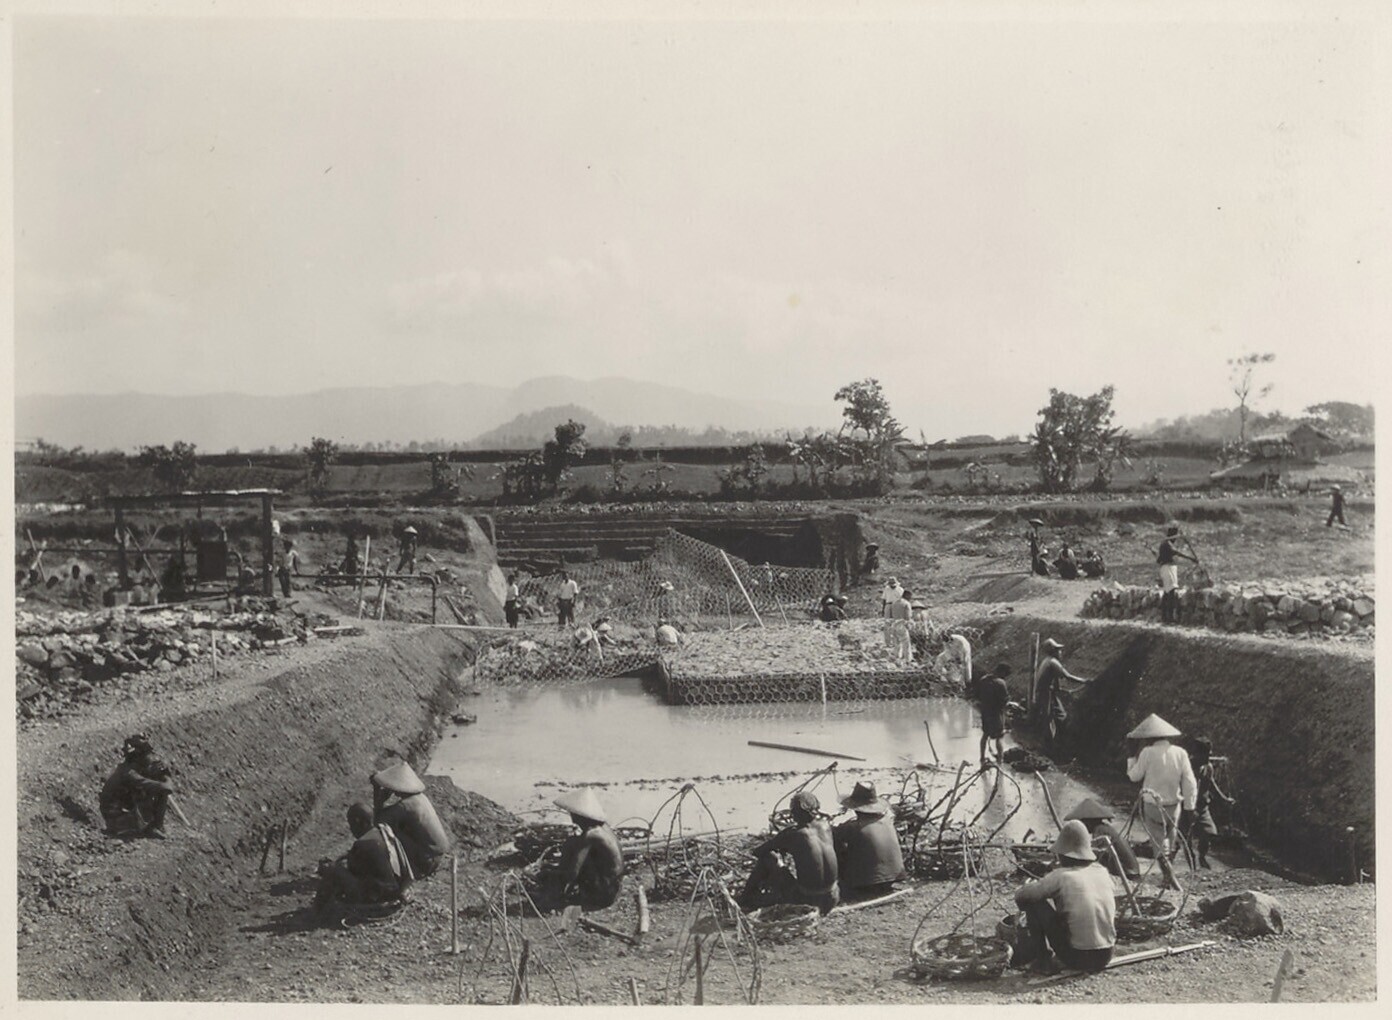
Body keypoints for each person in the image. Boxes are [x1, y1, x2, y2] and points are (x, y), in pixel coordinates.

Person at [1011, 820, 1116, 975]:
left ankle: (1042, 960)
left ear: (1064, 856)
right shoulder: (1102, 872)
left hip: (1078, 957)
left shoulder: (1062, 876)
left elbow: (1022, 896)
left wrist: (1027, 887)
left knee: (1034, 903)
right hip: (1106, 955)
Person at [739, 790, 839, 915]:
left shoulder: (793, 833)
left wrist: (781, 847)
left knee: (769, 857)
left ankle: (744, 899)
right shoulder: (826, 826)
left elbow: (758, 852)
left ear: (795, 813)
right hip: (832, 898)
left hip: (807, 900)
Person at [1125, 714, 1196, 888]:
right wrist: (1190, 806)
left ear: (1149, 738)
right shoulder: (1180, 753)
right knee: (1170, 843)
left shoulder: (1147, 753)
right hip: (1174, 806)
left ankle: (1171, 881)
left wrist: (1131, 757)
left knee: (1159, 846)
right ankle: (1167, 880)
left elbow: (1134, 776)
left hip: (1153, 806)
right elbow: (1189, 781)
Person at [313, 802, 414, 913]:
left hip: (377, 896)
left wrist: (331, 868)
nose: (351, 829)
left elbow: (353, 871)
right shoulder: (381, 833)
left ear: (362, 823)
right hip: (393, 890)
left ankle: (317, 911)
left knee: (331, 870)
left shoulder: (362, 844)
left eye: (352, 825)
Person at [371, 762, 452, 878]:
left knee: (387, 832)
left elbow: (378, 822)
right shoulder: (420, 797)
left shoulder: (406, 805)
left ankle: (401, 872)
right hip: (437, 856)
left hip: (427, 860)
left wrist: (379, 800)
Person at [549, 789, 625, 911]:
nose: (572, 817)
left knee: (572, 848)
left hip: (605, 894)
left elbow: (573, 872)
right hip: (615, 888)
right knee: (575, 844)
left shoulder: (591, 835)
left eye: (573, 814)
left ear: (580, 816)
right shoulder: (604, 828)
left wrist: (557, 875)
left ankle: (558, 895)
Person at [833, 782, 907, 901]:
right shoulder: (887, 821)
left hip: (867, 883)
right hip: (893, 877)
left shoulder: (853, 827)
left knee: (837, 846)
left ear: (856, 809)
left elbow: (832, 835)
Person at [99, 734, 174, 840]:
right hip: (115, 818)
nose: (150, 757)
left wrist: (162, 773)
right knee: (150, 791)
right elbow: (163, 787)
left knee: (150, 790)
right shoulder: (128, 773)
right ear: (138, 756)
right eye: (147, 754)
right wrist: (165, 779)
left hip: (119, 814)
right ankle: (151, 827)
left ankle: (154, 826)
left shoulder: (133, 769)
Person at [1063, 798, 1141, 885]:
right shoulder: (1104, 828)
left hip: (1127, 873)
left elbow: (1097, 854)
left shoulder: (1100, 830)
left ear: (1088, 821)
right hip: (1131, 871)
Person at [1031, 639, 1093, 747]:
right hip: (1046, 693)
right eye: (1058, 650)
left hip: (1046, 692)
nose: (1060, 652)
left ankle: (1057, 741)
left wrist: (1063, 690)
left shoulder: (1047, 661)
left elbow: (1053, 680)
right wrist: (1084, 681)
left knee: (1059, 715)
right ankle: (1049, 745)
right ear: (1053, 651)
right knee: (1049, 718)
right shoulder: (1053, 662)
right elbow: (1067, 676)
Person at [1185, 737, 1234, 870]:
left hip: (1202, 807)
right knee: (1186, 838)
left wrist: (1224, 799)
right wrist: (1190, 808)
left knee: (1209, 832)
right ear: (1197, 753)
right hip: (1186, 807)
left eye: (1210, 754)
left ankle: (1202, 856)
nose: (1209, 757)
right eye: (1206, 754)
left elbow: (1211, 785)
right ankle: (1192, 866)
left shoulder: (1208, 767)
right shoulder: (1187, 767)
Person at [1156, 525, 1197, 625]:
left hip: (1168, 568)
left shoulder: (1165, 544)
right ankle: (1169, 617)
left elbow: (1159, 559)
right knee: (1170, 592)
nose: (1176, 540)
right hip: (1168, 569)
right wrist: (1190, 558)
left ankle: (1165, 616)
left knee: (1167, 592)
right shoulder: (1167, 544)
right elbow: (1176, 553)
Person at [974, 663, 1012, 766]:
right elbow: (1004, 700)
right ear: (1002, 672)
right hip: (996, 713)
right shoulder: (1000, 683)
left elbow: (977, 696)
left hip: (985, 712)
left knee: (985, 735)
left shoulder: (983, 680)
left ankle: (982, 757)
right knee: (999, 736)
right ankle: (1000, 761)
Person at [887, 588, 914, 663]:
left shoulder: (894, 603)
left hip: (894, 624)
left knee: (897, 643)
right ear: (907, 595)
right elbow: (908, 616)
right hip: (902, 624)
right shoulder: (906, 603)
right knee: (906, 643)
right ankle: (908, 659)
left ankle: (897, 658)